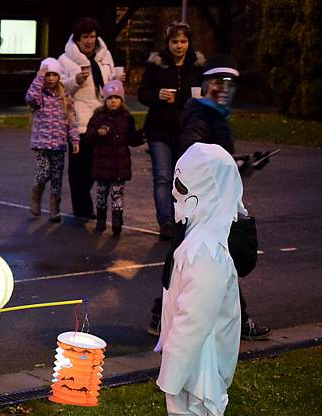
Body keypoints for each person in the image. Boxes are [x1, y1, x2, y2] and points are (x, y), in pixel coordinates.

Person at [148, 55, 271, 342]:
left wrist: (243, 163)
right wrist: (233, 166)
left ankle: (160, 312)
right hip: (204, 205)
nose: (225, 89)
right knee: (215, 260)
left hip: (209, 203)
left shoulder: (213, 115)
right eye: (219, 83)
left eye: (230, 84)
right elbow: (193, 152)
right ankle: (237, 322)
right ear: (205, 86)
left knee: (192, 259)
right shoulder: (202, 117)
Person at [155, 143, 246, 416]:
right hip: (187, 353)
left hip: (201, 358)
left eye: (182, 186)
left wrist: (172, 368)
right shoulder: (196, 240)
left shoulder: (208, 252)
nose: (176, 194)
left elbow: (195, 317)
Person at [138, 21, 205, 240]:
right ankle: (165, 222)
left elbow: (207, 91)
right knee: (163, 176)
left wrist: (200, 100)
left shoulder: (197, 66)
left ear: (189, 43)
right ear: (167, 43)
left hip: (186, 131)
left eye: (183, 41)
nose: (179, 46)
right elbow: (142, 94)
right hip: (159, 128)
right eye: (175, 41)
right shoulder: (157, 64)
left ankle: (182, 219)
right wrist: (157, 95)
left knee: (184, 179)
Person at [58, 17, 123, 219]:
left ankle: (87, 203)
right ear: (77, 39)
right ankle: (82, 208)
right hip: (79, 121)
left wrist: (117, 81)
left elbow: (109, 84)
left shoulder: (105, 56)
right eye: (85, 37)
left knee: (99, 165)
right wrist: (74, 81)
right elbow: (59, 88)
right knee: (80, 168)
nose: (89, 40)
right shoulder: (65, 60)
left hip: (102, 118)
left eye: (93, 36)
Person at [85, 79, 145, 235]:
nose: (113, 101)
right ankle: (101, 220)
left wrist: (142, 137)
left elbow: (131, 138)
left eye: (116, 98)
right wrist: (98, 133)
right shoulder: (98, 117)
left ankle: (117, 221)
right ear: (105, 100)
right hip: (102, 164)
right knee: (101, 194)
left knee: (117, 194)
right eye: (110, 98)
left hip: (119, 164)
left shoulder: (126, 118)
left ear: (121, 100)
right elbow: (89, 137)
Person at [25, 58, 80, 222]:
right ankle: (36, 193)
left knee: (56, 177)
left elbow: (71, 120)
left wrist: (75, 139)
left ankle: (54, 209)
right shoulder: (39, 95)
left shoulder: (65, 97)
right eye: (47, 75)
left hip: (58, 144)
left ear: (59, 76)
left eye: (53, 75)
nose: (50, 78)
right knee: (44, 172)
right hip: (41, 144)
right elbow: (30, 98)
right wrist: (38, 77)